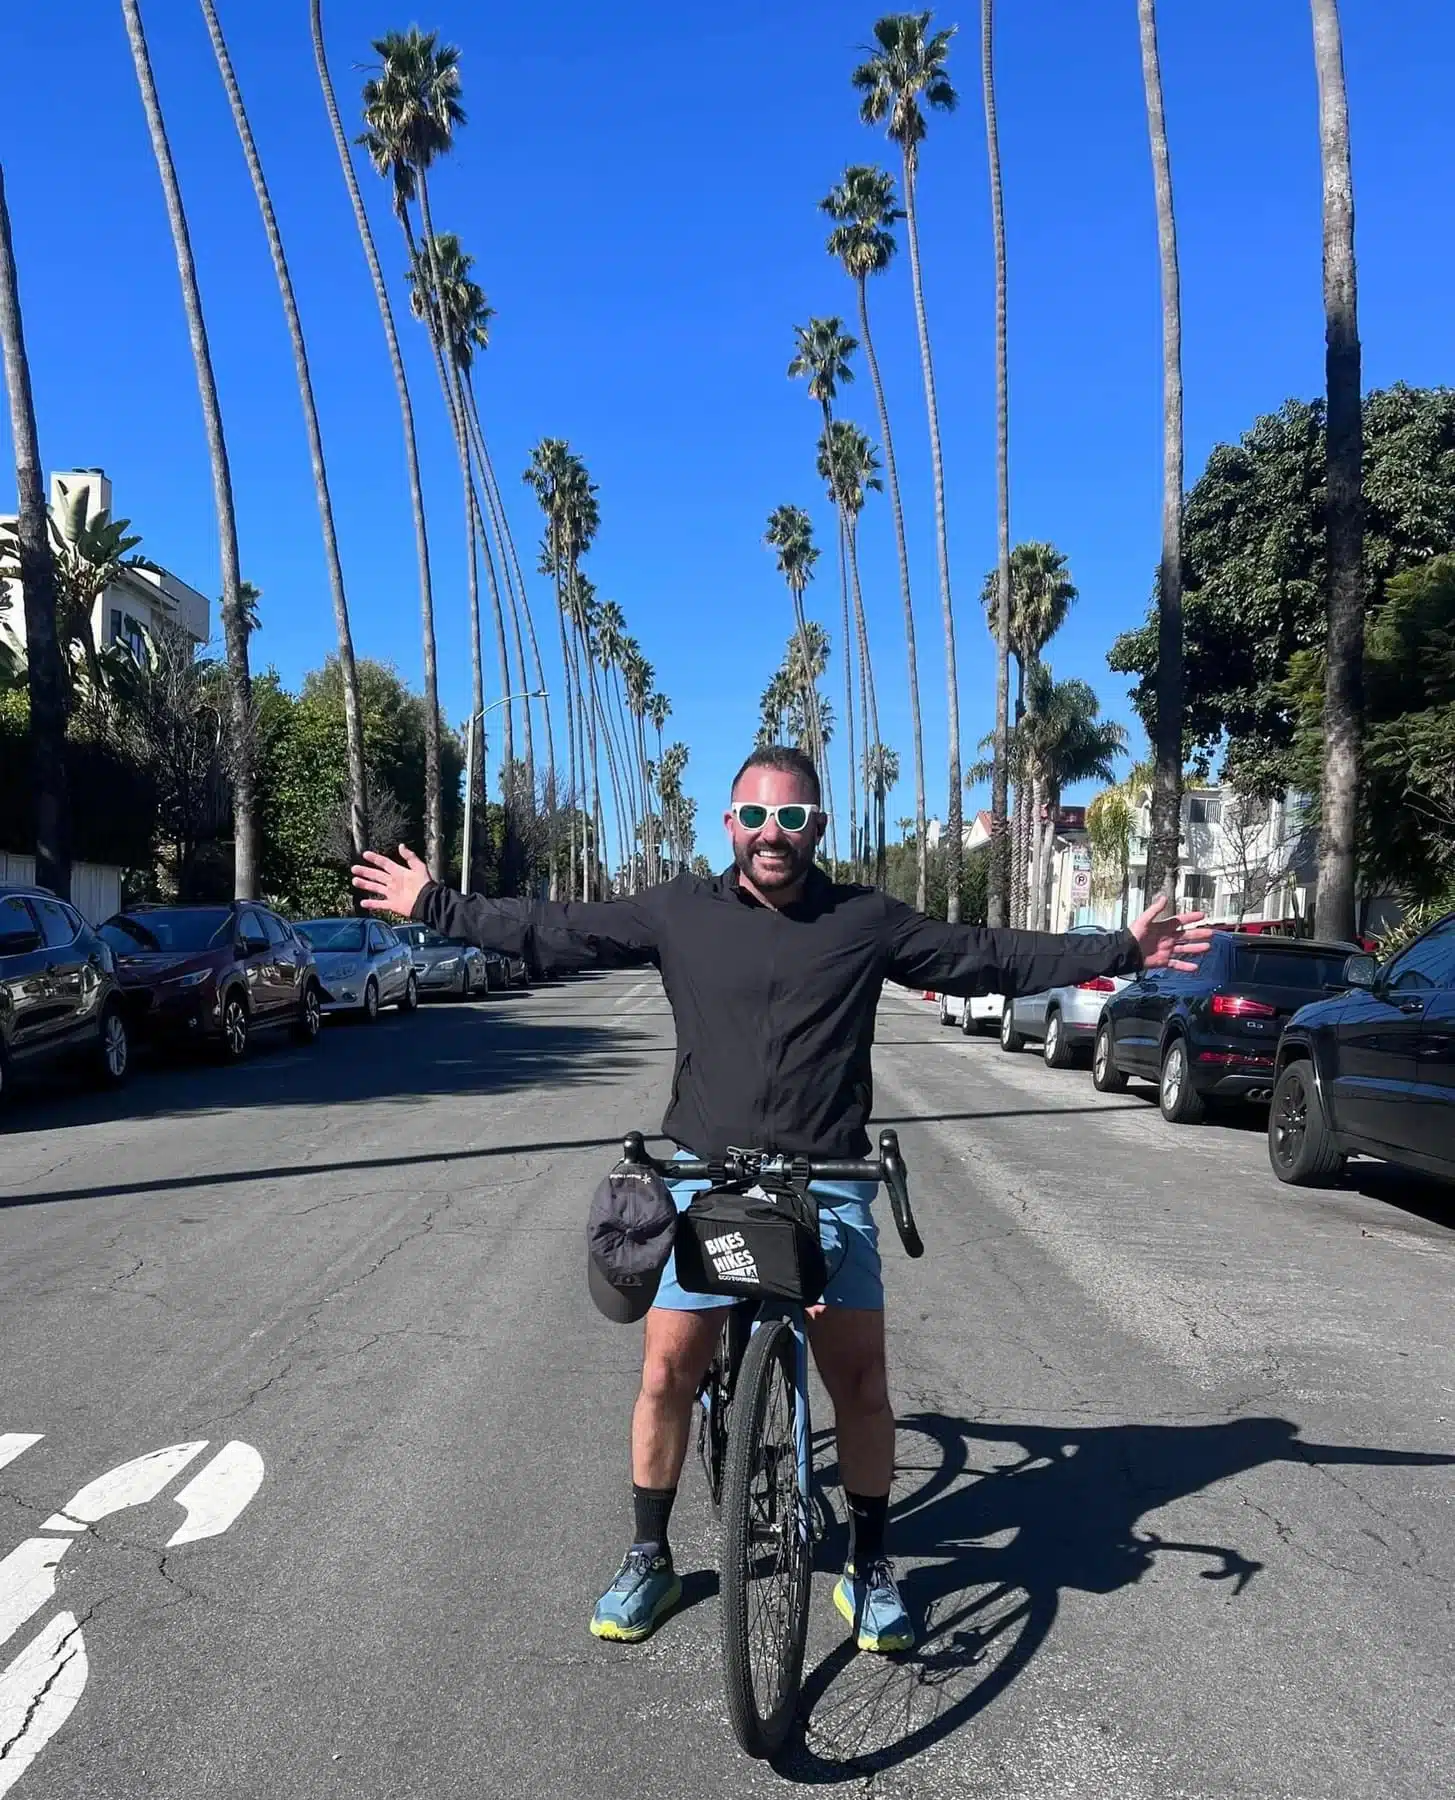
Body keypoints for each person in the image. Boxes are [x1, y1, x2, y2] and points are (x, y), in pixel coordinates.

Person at [352, 744, 1211, 1653]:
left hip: (826, 1184)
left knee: (863, 1388)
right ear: (729, 826)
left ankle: (870, 1566)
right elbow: (558, 929)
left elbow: (980, 956)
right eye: (755, 817)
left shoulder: (863, 919)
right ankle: (650, 1556)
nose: (773, 834)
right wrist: (437, 906)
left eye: (791, 818)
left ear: (818, 828)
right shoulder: (680, 910)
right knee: (665, 1375)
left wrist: (1117, 948)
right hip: (702, 1180)